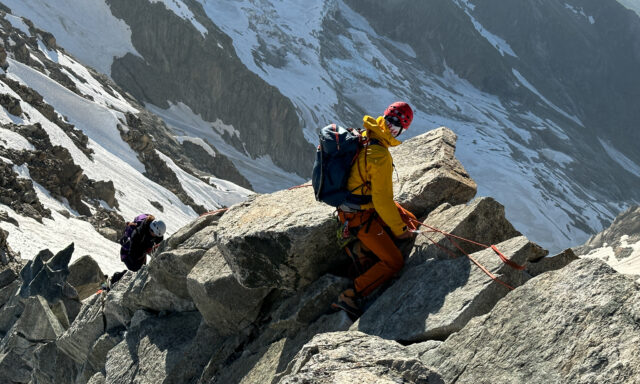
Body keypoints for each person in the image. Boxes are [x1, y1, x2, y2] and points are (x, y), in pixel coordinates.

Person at [332, 101, 417, 317]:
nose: (392, 129)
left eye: (396, 126)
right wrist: (399, 230)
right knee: (395, 262)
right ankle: (351, 294)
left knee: (411, 220)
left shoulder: (364, 135)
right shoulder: (379, 155)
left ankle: (363, 251)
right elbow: (382, 201)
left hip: (353, 207)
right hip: (359, 216)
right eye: (393, 124)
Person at [109, 214, 166, 287]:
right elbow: (133, 255)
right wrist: (147, 250)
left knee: (141, 271)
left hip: (139, 252)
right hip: (128, 253)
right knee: (135, 270)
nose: (153, 234)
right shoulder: (137, 234)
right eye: (153, 232)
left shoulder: (153, 230)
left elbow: (159, 240)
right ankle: (114, 279)